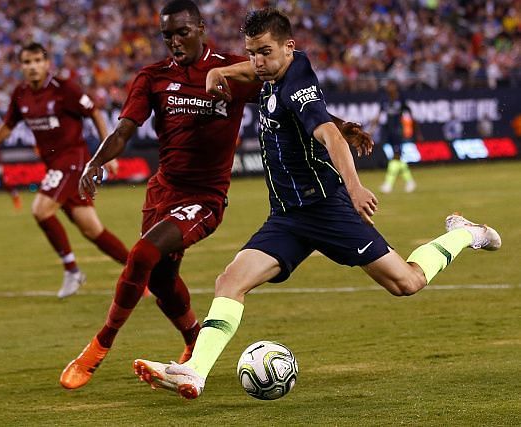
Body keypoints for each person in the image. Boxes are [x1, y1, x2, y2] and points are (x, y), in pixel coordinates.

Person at [132, 8, 502, 400]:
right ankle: (194, 372)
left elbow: (330, 137)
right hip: (288, 218)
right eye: (252, 52)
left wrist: (355, 187)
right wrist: (219, 72)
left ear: (289, 47)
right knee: (230, 281)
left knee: (406, 282)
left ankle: (464, 234)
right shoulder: (268, 73)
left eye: (265, 53)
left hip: (327, 210)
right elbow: (246, 72)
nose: (257, 62)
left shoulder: (296, 87)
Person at [59, 0, 372, 390]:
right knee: (160, 278)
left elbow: (296, 102)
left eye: (182, 32)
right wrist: (95, 162)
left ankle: (98, 347)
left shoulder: (236, 71)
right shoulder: (152, 76)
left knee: (141, 254)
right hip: (161, 192)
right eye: (167, 35)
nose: (174, 41)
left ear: (201, 28)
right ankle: (194, 339)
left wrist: (344, 128)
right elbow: (124, 130)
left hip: (205, 197)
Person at [0, 42, 129, 298]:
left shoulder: (64, 89)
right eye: (27, 62)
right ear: (21, 67)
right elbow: (9, 123)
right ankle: (142, 274)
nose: (33, 67)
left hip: (73, 161)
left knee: (40, 209)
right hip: (56, 166)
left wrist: (107, 152)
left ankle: (72, 270)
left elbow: (94, 112)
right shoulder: (21, 93)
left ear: (47, 63)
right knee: (93, 230)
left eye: (38, 61)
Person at [370, 80, 421, 194]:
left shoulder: (401, 99)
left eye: (391, 85)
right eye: (388, 86)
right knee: (397, 158)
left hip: (398, 131)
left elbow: (411, 115)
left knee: (395, 157)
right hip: (388, 131)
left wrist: (417, 131)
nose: (389, 87)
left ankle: (388, 184)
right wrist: (371, 130)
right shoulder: (384, 99)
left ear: (395, 87)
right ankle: (410, 182)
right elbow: (378, 116)